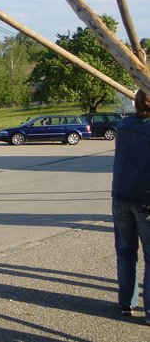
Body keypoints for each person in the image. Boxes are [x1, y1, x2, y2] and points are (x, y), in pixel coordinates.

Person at [111, 88, 150, 325]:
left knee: (126, 251)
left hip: (121, 196)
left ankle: (127, 302)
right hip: (146, 199)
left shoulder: (124, 126)